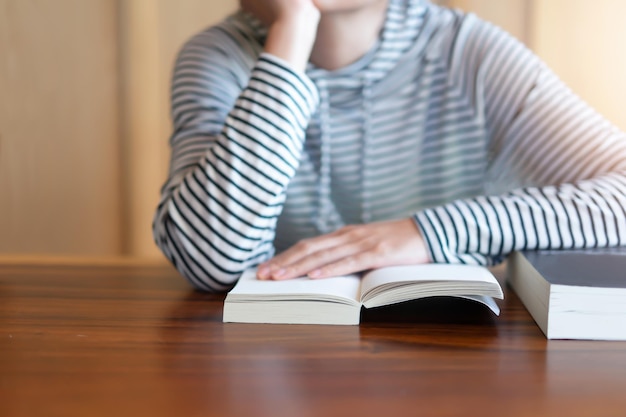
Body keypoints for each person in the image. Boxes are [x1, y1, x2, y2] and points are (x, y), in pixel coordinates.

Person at [153, 0, 626, 292]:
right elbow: (210, 259)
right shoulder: (217, 57)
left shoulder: (467, 51)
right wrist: (292, 32)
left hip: (444, 355)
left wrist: (427, 232)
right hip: (274, 355)